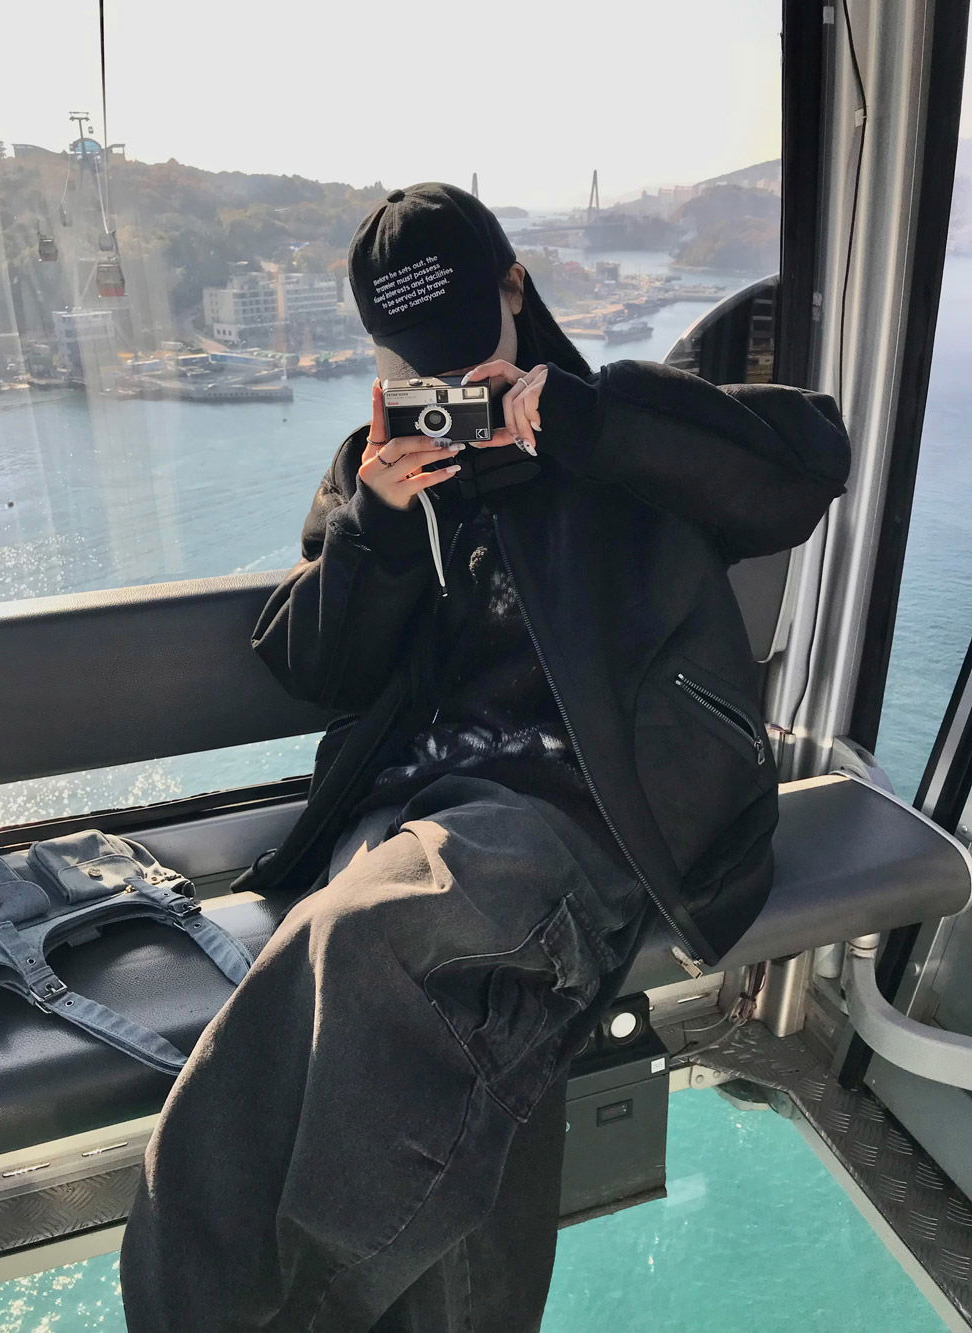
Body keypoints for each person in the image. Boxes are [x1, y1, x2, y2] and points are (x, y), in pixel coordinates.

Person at [119, 182, 851, 1332]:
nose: (456, 382)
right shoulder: (376, 462)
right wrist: (375, 527)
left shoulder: (620, 433)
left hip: (583, 811)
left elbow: (808, 457)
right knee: (424, 1000)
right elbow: (317, 668)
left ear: (516, 285)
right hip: (419, 815)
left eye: (466, 347)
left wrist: (591, 424)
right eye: (423, 362)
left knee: (359, 938)